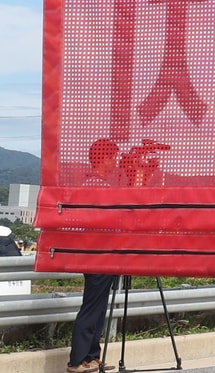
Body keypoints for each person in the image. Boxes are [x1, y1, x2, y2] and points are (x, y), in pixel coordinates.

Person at [68, 139, 122, 373]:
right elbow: (104, 220)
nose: (116, 163)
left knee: (99, 306)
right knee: (92, 306)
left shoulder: (96, 184)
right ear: (105, 159)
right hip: (97, 253)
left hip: (101, 253)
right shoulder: (96, 185)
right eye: (113, 158)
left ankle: (91, 357)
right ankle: (77, 360)